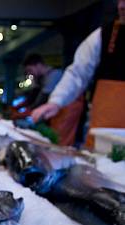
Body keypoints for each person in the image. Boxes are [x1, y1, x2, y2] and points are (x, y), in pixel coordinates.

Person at [32, 0, 125, 148]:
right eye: (120, 0)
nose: (121, 6)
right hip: (103, 142)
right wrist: (56, 101)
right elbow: (77, 74)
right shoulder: (103, 36)